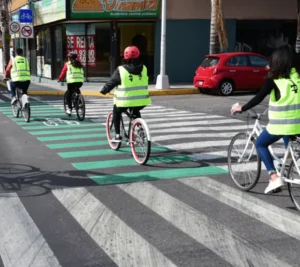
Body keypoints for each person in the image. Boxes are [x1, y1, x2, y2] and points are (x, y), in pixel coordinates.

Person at [231, 45, 300, 194]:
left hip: (282, 124)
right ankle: (290, 162)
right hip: (298, 124)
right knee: (290, 136)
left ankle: (274, 177)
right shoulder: (298, 76)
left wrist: (242, 108)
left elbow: (259, 97)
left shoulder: (274, 79)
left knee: (261, 143)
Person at [100, 46, 151, 142]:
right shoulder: (144, 68)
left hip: (125, 101)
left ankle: (117, 135)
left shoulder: (121, 69)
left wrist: (104, 90)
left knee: (116, 111)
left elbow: (112, 82)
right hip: (143, 100)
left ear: (125, 56)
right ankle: (140, 131)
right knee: (135, 110)